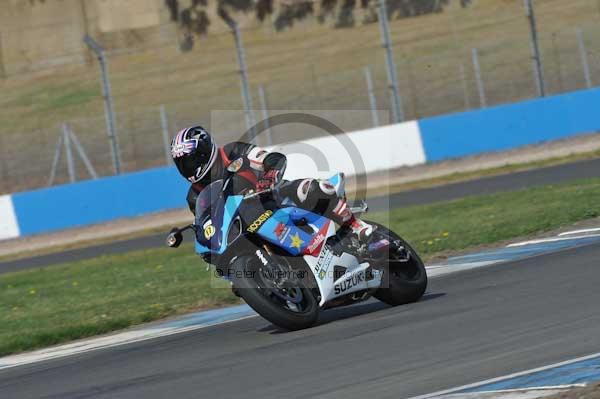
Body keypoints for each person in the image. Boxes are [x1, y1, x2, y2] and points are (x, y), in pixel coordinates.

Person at [170, 125, 374, 240]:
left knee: (312, 189)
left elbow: (272, 158)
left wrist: (268, 177)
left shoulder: (232, 152)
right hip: (247, 225)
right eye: (182, 163)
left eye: (190, 160)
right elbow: (209, 226)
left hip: (275, 197)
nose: (188, 167)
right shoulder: (194, 196)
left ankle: (356, 226)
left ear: (205, 151)